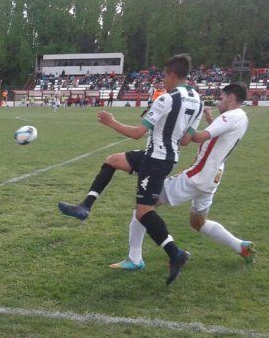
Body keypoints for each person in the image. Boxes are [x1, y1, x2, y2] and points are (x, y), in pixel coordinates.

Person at [58, 54, 202, 285]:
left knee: (144, 212)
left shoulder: (167, 98)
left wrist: (111, 122)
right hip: (162, 155)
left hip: (156, 160)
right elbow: (186, 140)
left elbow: (137, 133)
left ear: (172, 75)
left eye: (164, 75)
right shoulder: (198, 100)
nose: (163, 80)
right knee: (112, 160)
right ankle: (84, 207)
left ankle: (176, 254)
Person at [110, 84, 255, 271]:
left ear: (231, 98)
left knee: (144, 207)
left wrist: (181, 122)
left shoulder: (232, 115)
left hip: (197, 176)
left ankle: (134, 258)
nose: (220, 101)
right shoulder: (241, 118)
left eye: (222, 98)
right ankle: (239, 245)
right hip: (212, 178)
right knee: (198, 223)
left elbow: (200, 136)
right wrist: (208, 117)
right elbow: (217, 136)